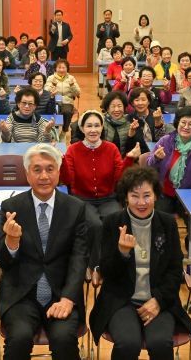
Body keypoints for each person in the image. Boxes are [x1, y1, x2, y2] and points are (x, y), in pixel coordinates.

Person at [90, 166, 191, 360]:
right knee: (127, 343)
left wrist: (158, 300)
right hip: (121, 300)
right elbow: (107, 272)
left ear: (156, 196)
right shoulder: (112, 222)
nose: (141, 202)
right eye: (134, 196)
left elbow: (174, 270)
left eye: (147, 195)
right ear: (126, 197)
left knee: (160, 343)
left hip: (159, 299)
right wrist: (122, 253)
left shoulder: (167, 223)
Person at [0, 144, 88, 359]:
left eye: (50, 169)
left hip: (61, 293)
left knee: (64, 339)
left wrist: (68, 298)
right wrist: (12, 241)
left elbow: (79, 258)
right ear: (27, 174)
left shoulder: (75, 208)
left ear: (58, 171)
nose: (44, 176)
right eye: (37, 170)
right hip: (21, 295)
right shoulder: (11, 207)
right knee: (18, 339)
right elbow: (4, 263)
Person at [61, 110, 140, 265]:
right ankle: (96, 265)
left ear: (102, 127)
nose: (93, 130)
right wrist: (62, 162)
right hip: (82, 200)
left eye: (97, 125)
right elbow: (67, 179)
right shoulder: (73, 150)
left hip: (108, 198)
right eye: (89, 126)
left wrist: (129, 159)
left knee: (117, 220)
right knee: (95, 225)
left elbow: (119, 178)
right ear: (82, 128)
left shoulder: (111, 148)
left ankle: (117, 260)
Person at [147, 106, 191, 214]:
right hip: (164, 193)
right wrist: (156, 158)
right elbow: (149, 165)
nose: (186, 127)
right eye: (183, 123)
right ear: (177, 123)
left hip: (189, 194)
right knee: (161, 218)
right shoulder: (165, 141)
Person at [47, 59, 80, 137]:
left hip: (67, 101)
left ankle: (64, 131)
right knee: (56, 112)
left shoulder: (71, 78)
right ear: (55, 68)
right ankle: (55, 131)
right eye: (59, 67)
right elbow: (46, 90)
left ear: (67, 68)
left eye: (63, 68)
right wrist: (53, 86)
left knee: (67, 112)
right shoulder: (51, 78)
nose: (61, 70)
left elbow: (77, 93)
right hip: (54, 100)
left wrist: (72, 85)